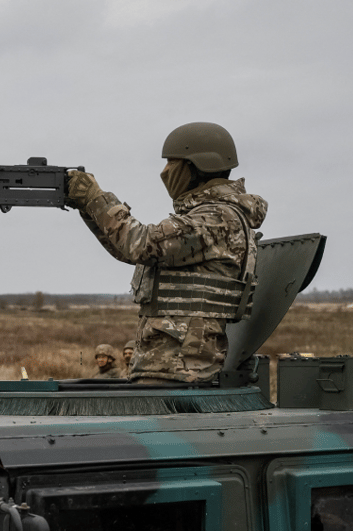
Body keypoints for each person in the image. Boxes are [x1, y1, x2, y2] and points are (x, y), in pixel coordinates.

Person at [67, 122, 267, 384]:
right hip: (169, 363)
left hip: (179, 366)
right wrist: (88, 207)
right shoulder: (209, 215)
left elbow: (141, 243)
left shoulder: (217, 217)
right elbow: (131, 252)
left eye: (171, 163)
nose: (164, 171)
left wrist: (95, 198)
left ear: (195, 166)